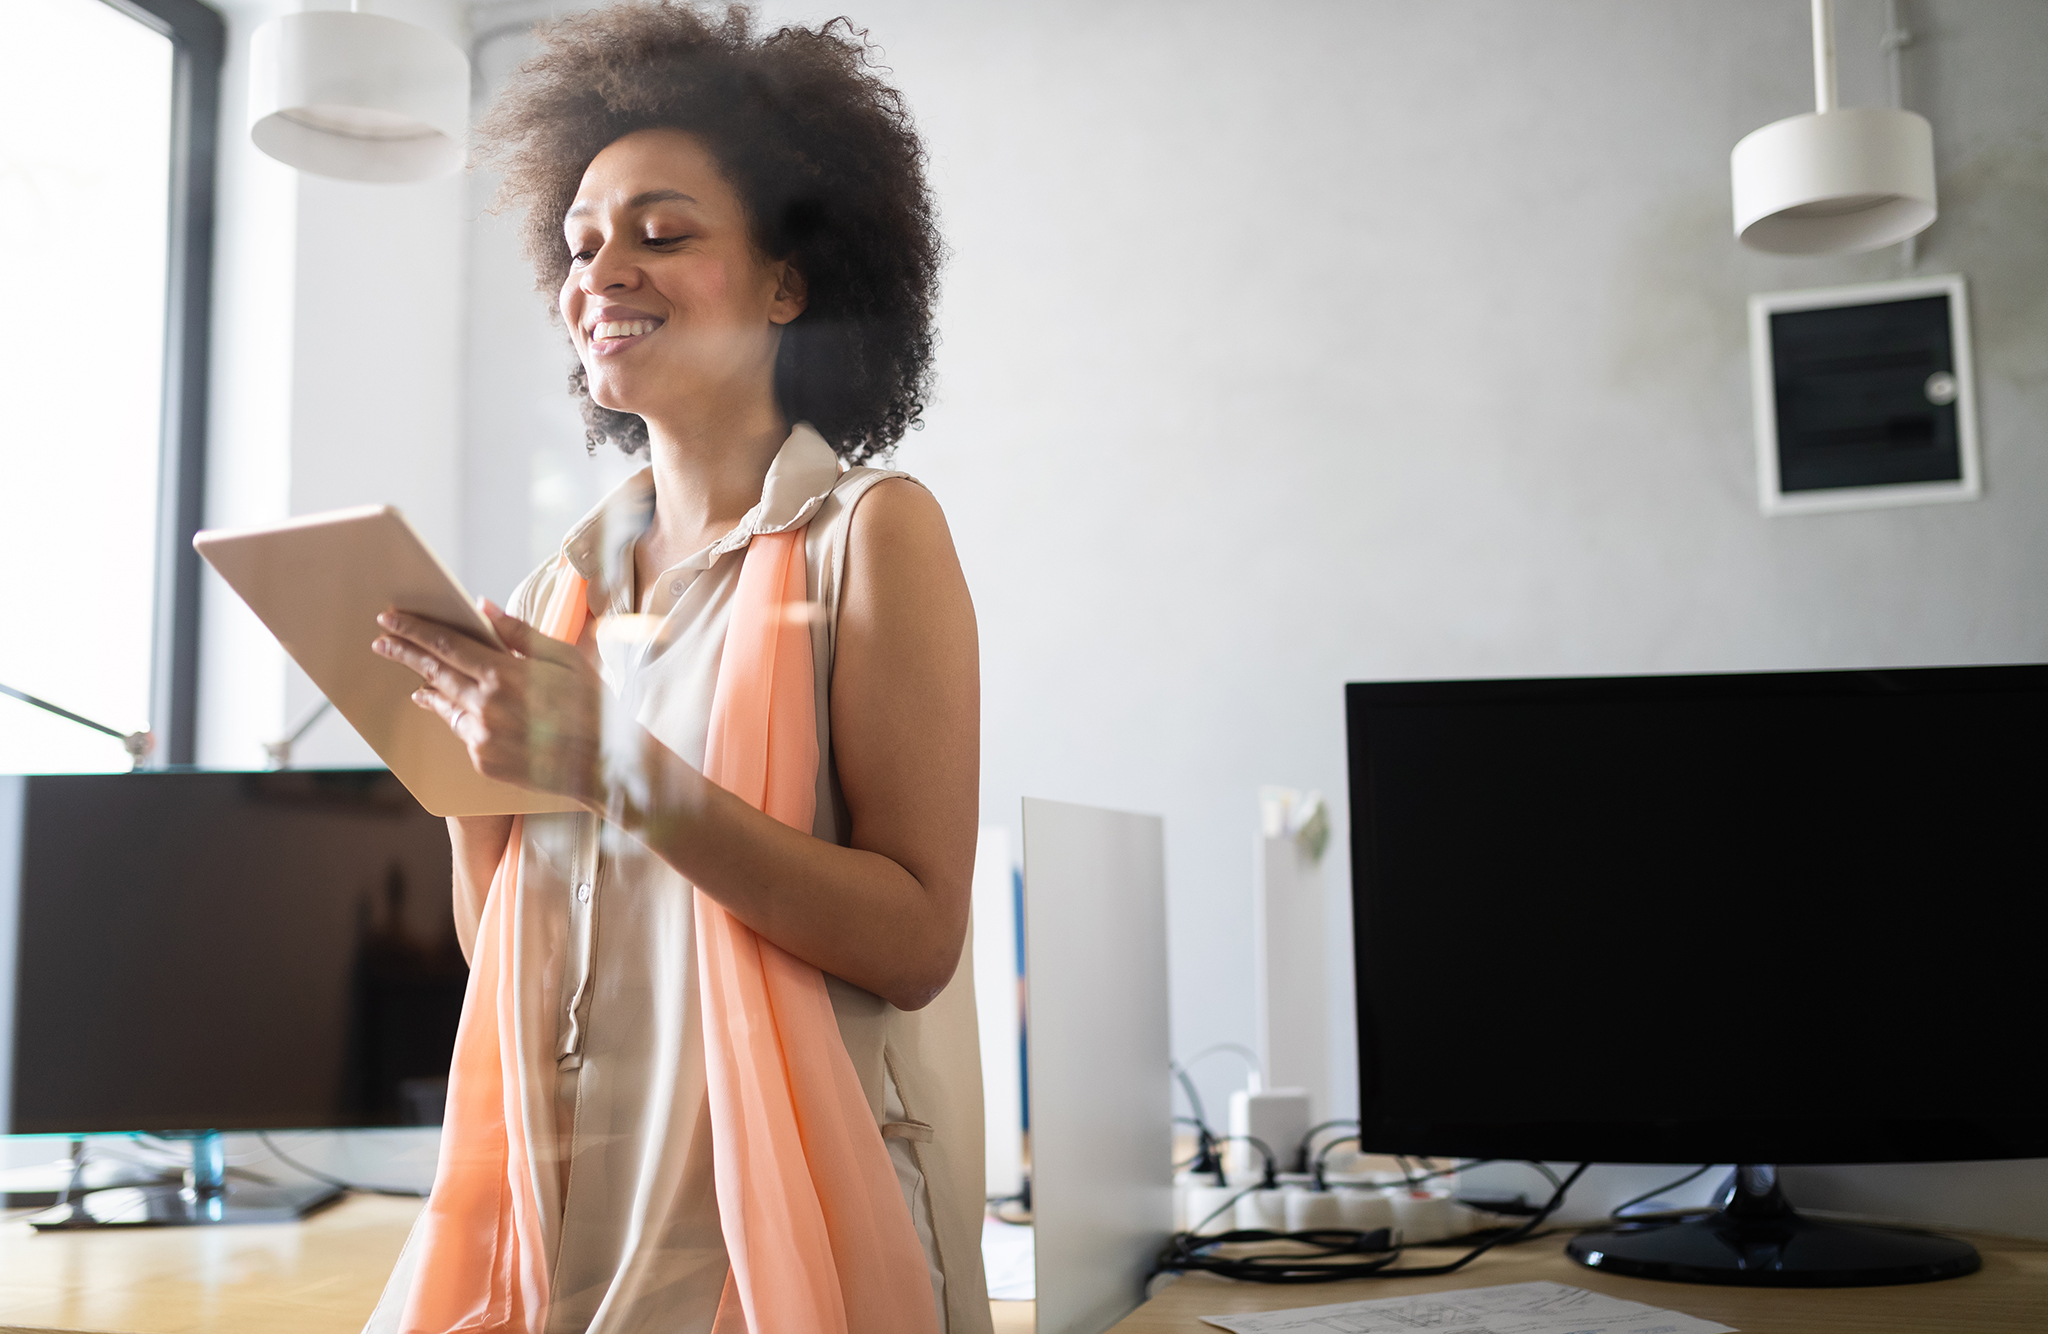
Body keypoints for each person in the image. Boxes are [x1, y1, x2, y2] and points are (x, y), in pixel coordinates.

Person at [362, 5, 986, 1331]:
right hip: (571, 1244)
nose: (602, 274)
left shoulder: (871, 536)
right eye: (581, 245)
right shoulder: (559, 591)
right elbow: (507, 955)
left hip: (769, 1264)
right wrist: (477, 792)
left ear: (789, 280)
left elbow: (917, 936)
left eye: (663, 233)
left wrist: (608, 766)